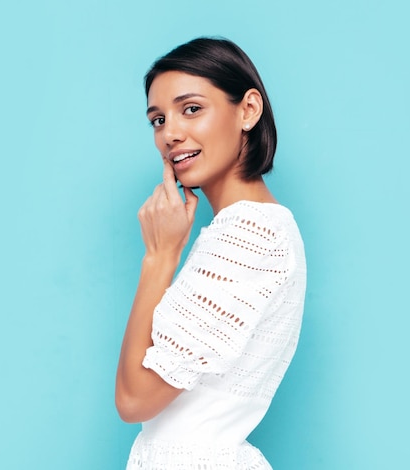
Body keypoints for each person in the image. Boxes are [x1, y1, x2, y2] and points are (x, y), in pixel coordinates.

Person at [115, 37, 307, 470]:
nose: (170, 133)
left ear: (248, 110)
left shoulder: (250, 235)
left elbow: (134, 399)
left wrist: (159, 258)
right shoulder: (249, 229)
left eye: (191, 109)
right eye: (158, 119)